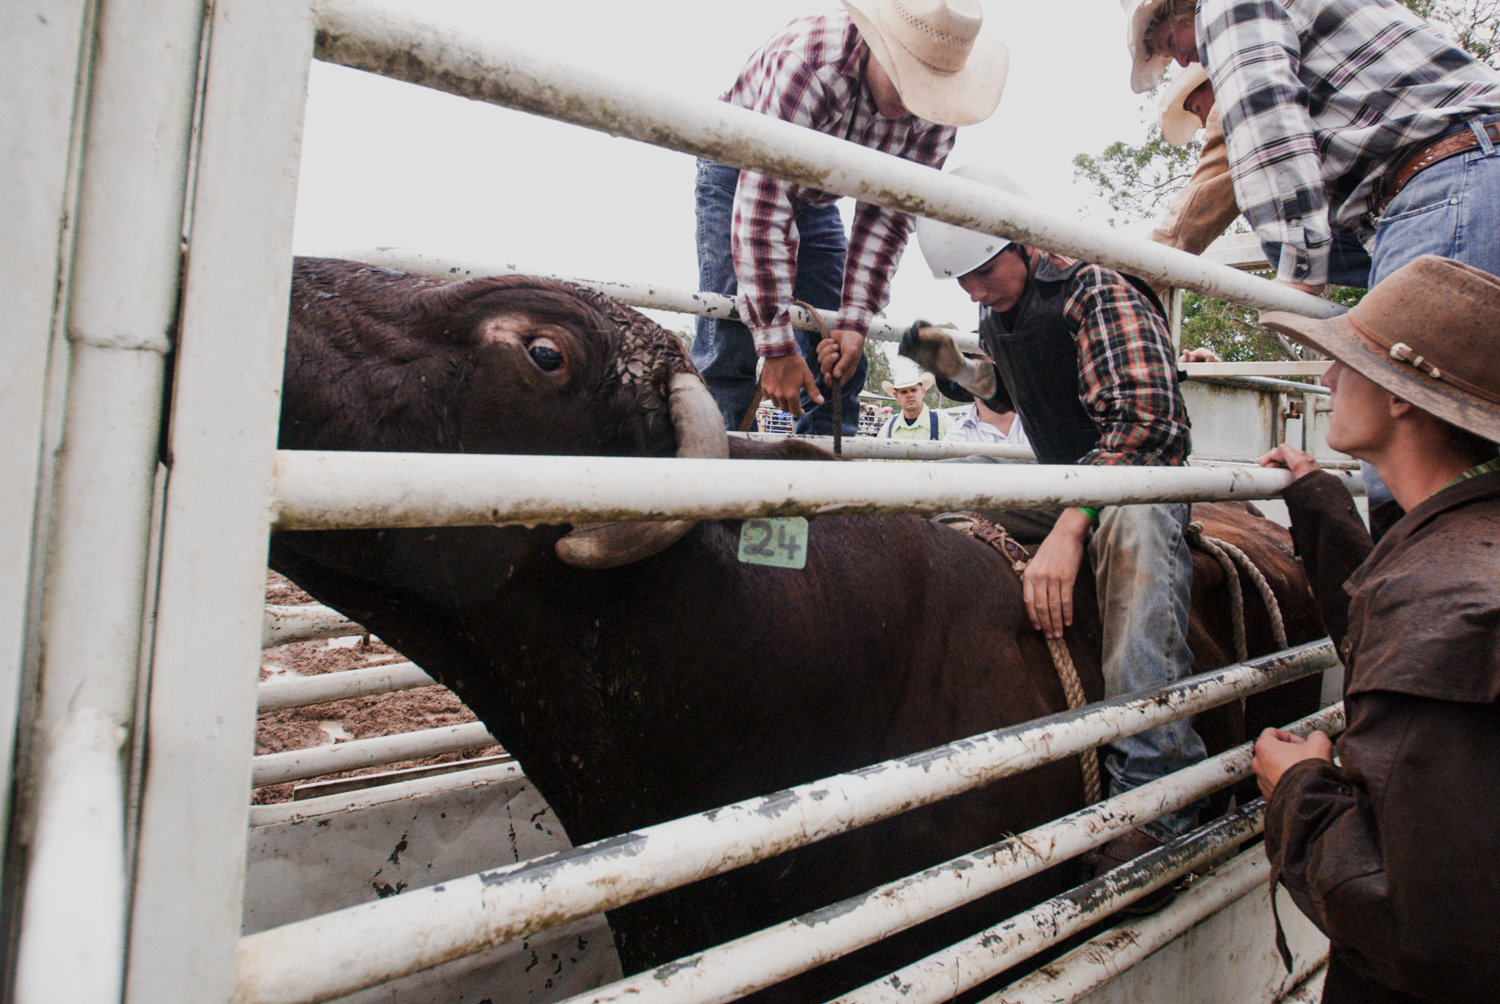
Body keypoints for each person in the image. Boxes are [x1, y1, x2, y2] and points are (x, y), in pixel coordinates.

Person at [906, 164, 1206, 881]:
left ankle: (1157, 799)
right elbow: (1016, 389)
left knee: (1129, 534)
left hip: (1138, 482)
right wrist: (959, 370)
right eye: (963, 284)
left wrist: (1073, 528)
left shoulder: (1097, 289)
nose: (974, 292)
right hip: (1064, 479)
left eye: (981, 273)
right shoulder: (999, 310)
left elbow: (1149, 425)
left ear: (1020, 242)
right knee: (940, 481)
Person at [1250, 255, 1500, 1004]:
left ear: (1401, 398)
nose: (1326, 380)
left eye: (1344, 363)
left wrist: (1296, 788)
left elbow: (1416, 921)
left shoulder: (1448, 605)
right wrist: (1320, 501)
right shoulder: (1466, 546)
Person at [691, 0, 1008, 436]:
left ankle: (826, 478)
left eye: (929, 89)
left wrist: (856, 322)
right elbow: (765, 201)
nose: (915, 101)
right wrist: (777, 346)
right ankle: (712, 484)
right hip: (739, 175)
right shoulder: (810, 66)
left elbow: (890, 216)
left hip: (819, 195)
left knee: (839, 348)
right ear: (878, 44)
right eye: (906, 78)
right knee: (731, 339)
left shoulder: (936, 116)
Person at [1125, 0, 1500, 292]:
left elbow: (1269, 130)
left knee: (1400, 379)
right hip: (1474, 160)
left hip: (1449, 174)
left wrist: (1298, 271)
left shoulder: (1226, 13)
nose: (1184, 61)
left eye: (1172, 44)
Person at [877, 364, 954, 440]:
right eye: (904, 392)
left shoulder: (943, 423)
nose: (910, 395)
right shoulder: (886, 431)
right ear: (896, 396)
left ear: (923, 392)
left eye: (913, 390)